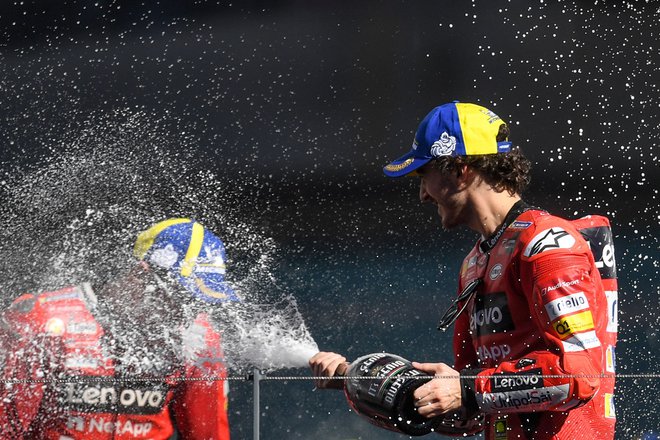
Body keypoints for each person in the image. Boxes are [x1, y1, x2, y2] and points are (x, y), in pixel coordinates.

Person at [309, 101, 617, 439]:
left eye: (424, 176)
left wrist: (468, 389)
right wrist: (369, 383)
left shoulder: (547, 245)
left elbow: (581, 376)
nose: (423, 195)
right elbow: (472, 409)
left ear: (459, 170)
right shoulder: (473, 264)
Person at [0, 218, 239, 439]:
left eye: (196, 303)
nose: (184, 314)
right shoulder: (42, 319)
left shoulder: (199, 341)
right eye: (179, 298)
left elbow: (209, 436)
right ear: (140, 274)